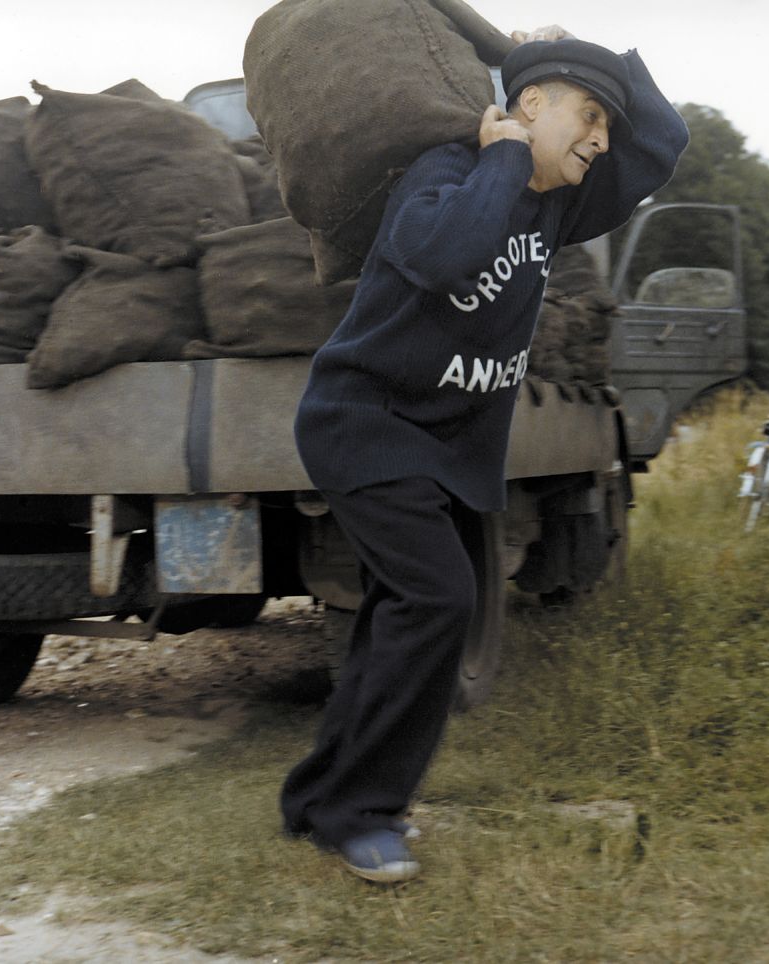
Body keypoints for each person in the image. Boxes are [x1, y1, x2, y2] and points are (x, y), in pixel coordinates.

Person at [282, 26, 689, 884]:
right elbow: (445, 254)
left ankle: (320, 797)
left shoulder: (562, 202)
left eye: (603, 125)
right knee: (438, 598)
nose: (602, 140)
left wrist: (569, 49)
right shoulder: (447, 174)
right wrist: (502, 154)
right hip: (367, 420)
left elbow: (663, 139)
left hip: (441, 442)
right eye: (586, 117)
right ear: (528, 110)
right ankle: (365, 814)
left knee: (407, 608)